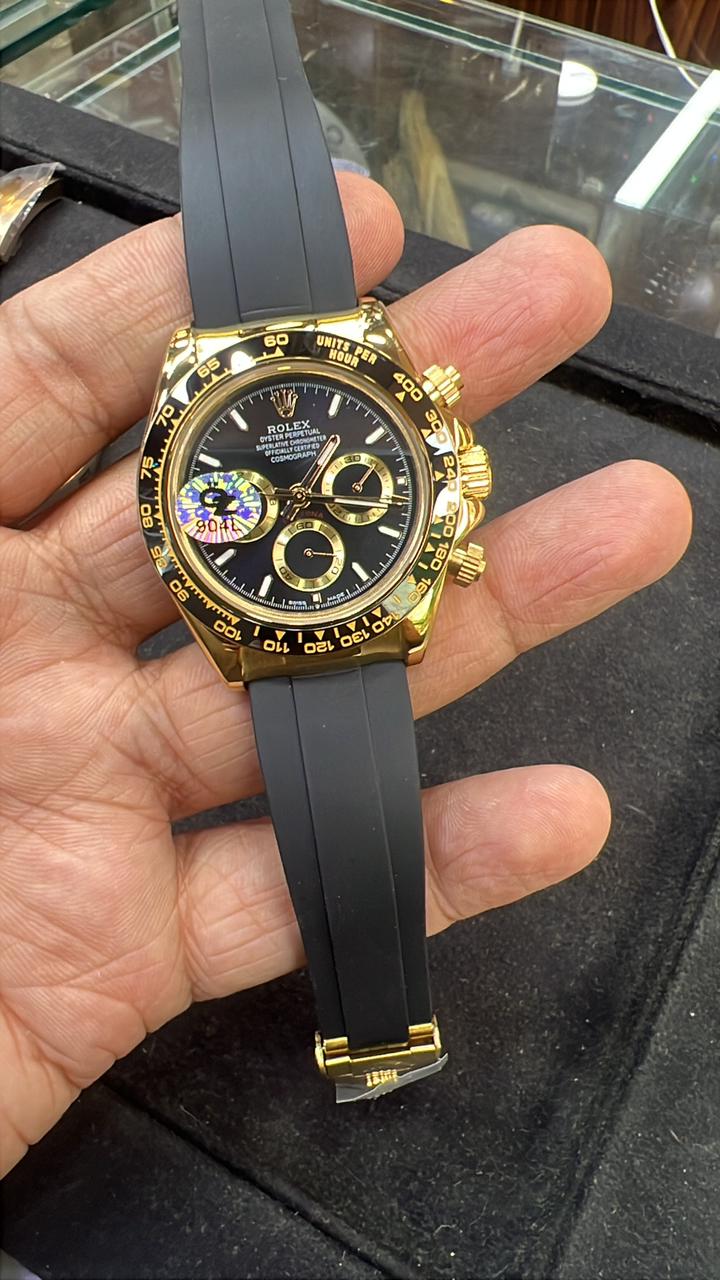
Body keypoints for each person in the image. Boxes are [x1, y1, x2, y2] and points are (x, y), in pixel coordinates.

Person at [0, 173, 692, 1176]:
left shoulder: (264, 402)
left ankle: (378, 1029)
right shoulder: (208, 454)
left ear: (448, 477)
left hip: (311, 595)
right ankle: (379, 1028)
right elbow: (187, 512)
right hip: (283, 606)